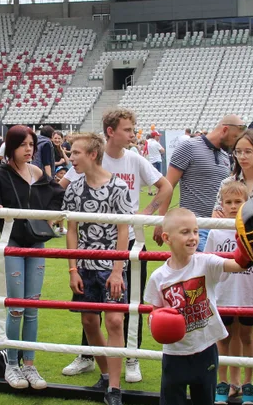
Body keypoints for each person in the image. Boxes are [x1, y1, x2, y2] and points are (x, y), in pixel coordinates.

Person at [59, 108, 174, 383]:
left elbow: (166, 187)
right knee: (91, 309)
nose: (133, 136)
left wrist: (145, 215)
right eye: (127, 130)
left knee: (129, 303)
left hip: (129, 243)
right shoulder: (88, 157)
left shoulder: (135, 160)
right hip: (92, 250)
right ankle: (88, 355)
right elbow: (60, 188)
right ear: (110, 132)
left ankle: (131, 357)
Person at [148, 207, 247, 405]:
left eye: (195, 231)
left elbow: (239, 265)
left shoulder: (206, 263)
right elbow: (154, 309)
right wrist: (160, 321)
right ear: (167, 237)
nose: (193, 237)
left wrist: (245, 232)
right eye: (185, 232)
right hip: (175, 357)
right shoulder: (159, 277)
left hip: (205, 351)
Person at [0, 126, 62, 390]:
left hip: (36, 242)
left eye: (31, 144)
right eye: (23, 144)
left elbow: (58, 197)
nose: (29, 149)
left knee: (32, 306)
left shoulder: (37, 173)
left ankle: (29, 364)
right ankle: (12, 364)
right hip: (13, 243)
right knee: (15, 307)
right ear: (11, 146)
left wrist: (49, 216)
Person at [63, 133, 133, 405]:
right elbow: (71, 229)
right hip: (84, 267)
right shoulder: (74, 189)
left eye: (76, 153)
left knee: (115, 321)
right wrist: (72, 268)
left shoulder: (118, 187)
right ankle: (108, 378)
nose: (71, 158)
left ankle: (115, 390)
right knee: (90, 322)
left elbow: (124, 230)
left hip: (111, 267)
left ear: (92, 154)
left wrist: (117, 270)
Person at [206, 180, 253, 405]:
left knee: (248, 337)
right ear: (221, 204)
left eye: (238, 202)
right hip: (224, 294)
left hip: (248, 295)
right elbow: (207, 262)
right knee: (224, 337)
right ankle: (224, 382)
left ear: (246, 203)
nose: (232, 206)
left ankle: (248, 383)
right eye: (228, 202)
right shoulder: (215, 231)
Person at [165, 115, 245, 250]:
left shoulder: (225, 156)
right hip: (194, 228)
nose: (235, 143)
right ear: (224, 130)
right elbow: (168, 185)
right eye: (235, 137)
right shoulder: (188, 147)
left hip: (218, 229)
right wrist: (161, 219)